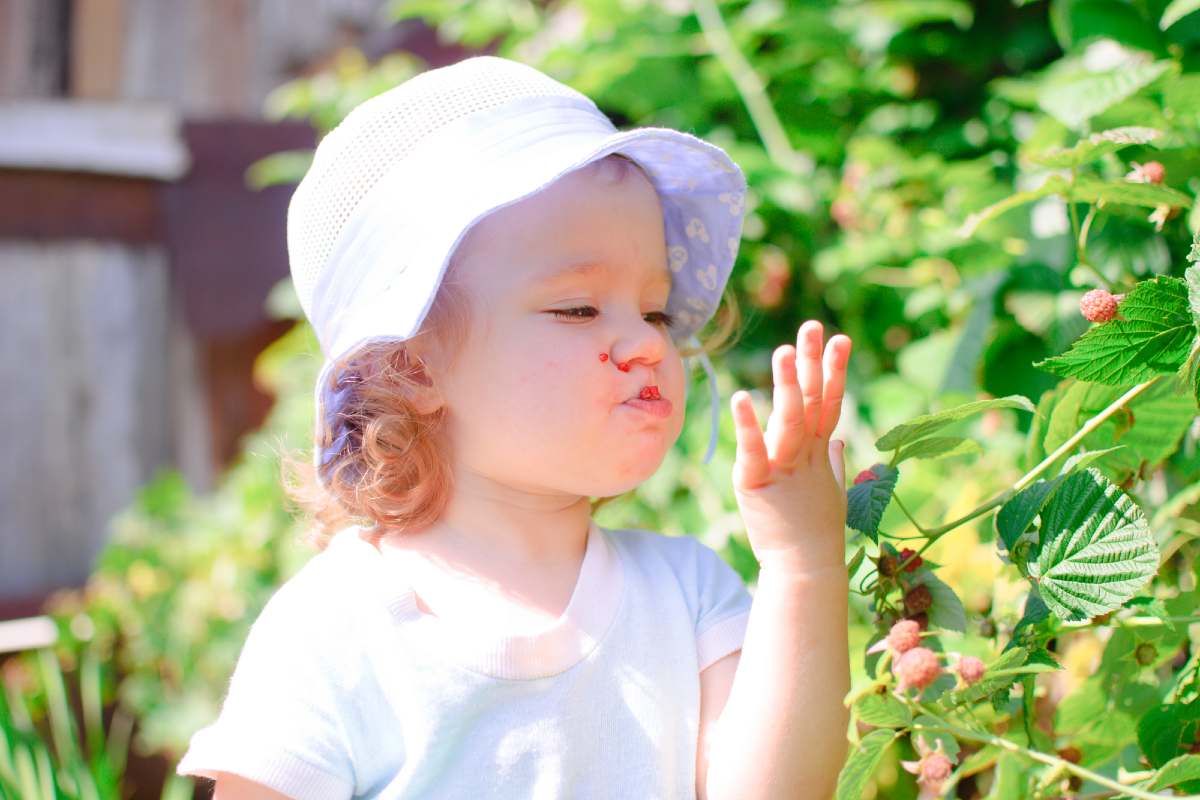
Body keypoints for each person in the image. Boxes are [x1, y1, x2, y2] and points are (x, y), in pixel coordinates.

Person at [176, 55, 853, 799]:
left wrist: (802, 561)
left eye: (655, 310)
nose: (650, 343)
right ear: (414, 368)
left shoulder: (685, 597)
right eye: (578, 309)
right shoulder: (340, 629)